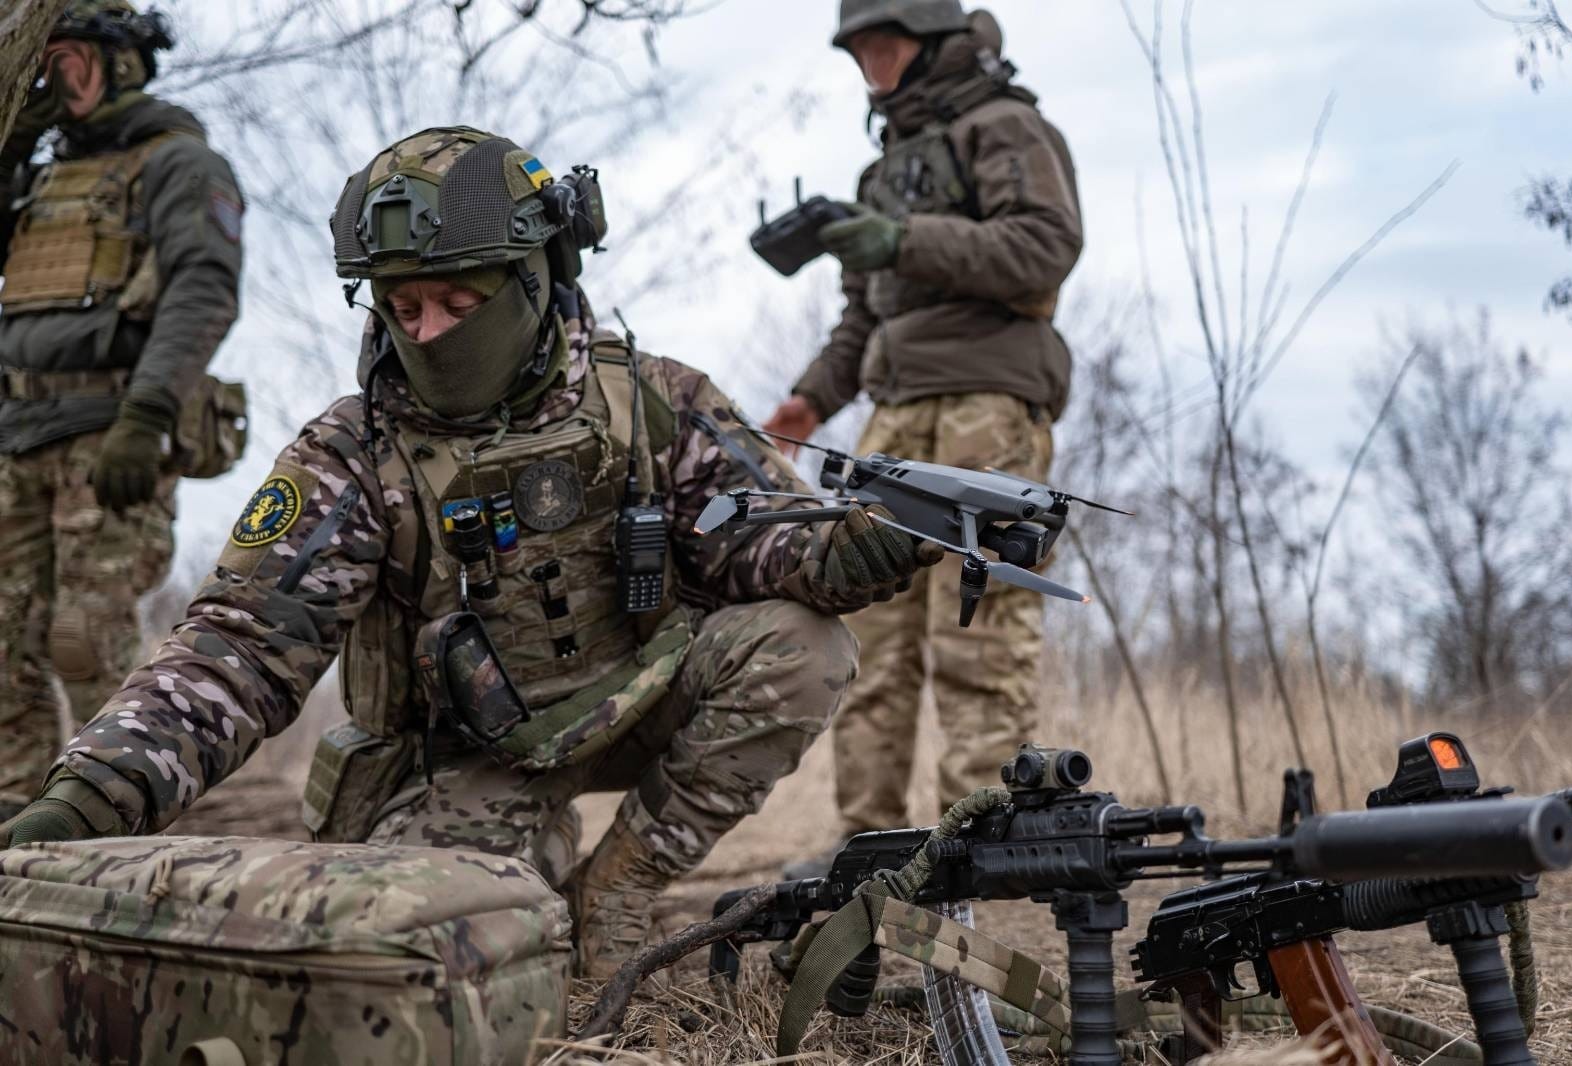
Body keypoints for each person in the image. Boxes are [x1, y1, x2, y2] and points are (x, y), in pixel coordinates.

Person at [0, 126, 939, 979]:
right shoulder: (352, 452)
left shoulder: (653, 400)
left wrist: (853, 553)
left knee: (800, 646)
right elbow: (236, 649)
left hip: (640, 695)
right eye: (402, 308)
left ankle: (615, 889)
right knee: (445, 950)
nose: (428, 333)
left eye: (457, 301)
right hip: (463, 760)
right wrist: (89, 795)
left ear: (536, 278)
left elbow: (755, 541)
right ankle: (536, 876)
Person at [766, 1, 1084, 875]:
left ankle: (977, 852)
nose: (873, 67)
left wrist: (903, 238)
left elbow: (1046, 248)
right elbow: (864, 317)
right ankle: (869, 854)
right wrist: (808, 400)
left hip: (986, 403)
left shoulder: (1007, 127)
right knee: (872, 638)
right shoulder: (884, 173)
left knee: (977, 632)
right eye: (860, 52)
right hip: (893, 417)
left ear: (935, 44)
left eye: (887, 47)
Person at [0, 0, 246, 820]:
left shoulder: (177, 163)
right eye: (46, 63)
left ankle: (122, 824)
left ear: (123, 61)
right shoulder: (37, 175)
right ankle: (19, 828)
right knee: (4, 651)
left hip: (108, 435)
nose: (55, 82)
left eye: (70, 62)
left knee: (86, 639)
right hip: (19, 436)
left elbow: (204, 289)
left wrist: (145, 416)